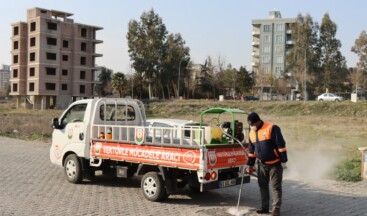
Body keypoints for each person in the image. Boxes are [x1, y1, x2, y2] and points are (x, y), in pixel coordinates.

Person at [245, 112, 288, 216]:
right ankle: (264, 208)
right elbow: (251, 151)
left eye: (253, 124)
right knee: (263, 186)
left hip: (275, 164)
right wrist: (249, 165)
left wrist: (283, 161)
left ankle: (276, 209)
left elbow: (281, 145)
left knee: (275, 187)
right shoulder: (251, 133)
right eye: (250, 125)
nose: (252, 127)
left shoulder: (272, 128)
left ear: (258, 121)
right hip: (261, 165)